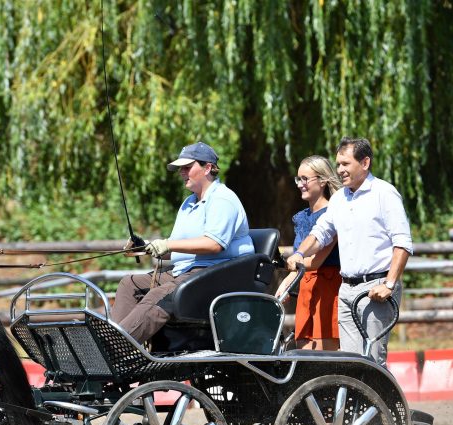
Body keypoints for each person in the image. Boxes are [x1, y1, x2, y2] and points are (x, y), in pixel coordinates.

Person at [286, 138, 412, 366]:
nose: (340, 170)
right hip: (346, 290)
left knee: (373, 361)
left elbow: (402, 243)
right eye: (338, 164)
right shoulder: (339, 199)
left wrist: (389, 284)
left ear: (365, 163)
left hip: (376, 288)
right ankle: (357, 403)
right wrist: (300, 253)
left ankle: (387, 403)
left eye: (346, 164)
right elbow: (320, 233)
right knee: (350, 364)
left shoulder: (384, 193)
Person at [112, 141, 254, 343]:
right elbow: (179, 248)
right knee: (130, 284)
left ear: (207, 168)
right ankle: (114, 344)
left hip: (216, 274)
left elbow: (214, 244)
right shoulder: (189, 203)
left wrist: (168, 244)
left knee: (160, 295)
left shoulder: (223, 199)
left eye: (187, 167)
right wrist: (147, 247)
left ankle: (116, 347)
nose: (182, 173)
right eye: (180, 169)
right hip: (186, 271)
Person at [275, 155, 343, 350]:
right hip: (306, 285)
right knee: (304, 351)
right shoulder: (303, 217)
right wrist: (286, 283)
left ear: (322, 180)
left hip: (327, 287)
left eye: (305, 179)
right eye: (298, 179)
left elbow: (316, 260)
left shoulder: (334, 213)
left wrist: (288, 269)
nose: (300, 184)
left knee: (323, 356)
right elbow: (299, 258)